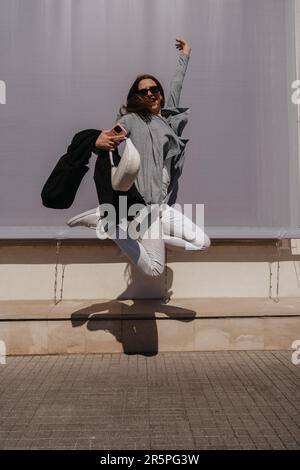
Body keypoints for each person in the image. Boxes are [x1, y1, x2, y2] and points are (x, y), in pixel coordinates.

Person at [68, 38, 211, 277]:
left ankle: (125, 228)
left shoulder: (170, 120)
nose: (150, 93)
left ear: (161, 95)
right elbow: (109, 140)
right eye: (143, 91)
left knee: (203, 243)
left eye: (154, 89)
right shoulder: (131, 120)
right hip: (144, 205)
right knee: (155, 270)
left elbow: (177, 84)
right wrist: (95, 141)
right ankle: (111, 226)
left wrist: (186, 55)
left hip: (162, 206)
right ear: (137, 97)